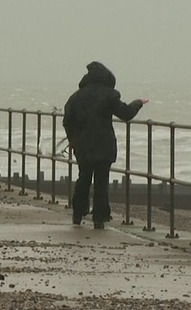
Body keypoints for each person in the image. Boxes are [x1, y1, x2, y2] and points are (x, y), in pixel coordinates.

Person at [63, 61, 148, 229]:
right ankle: (99, 218)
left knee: (83, 178)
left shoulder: (75, 97)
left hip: (82, 145)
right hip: (104, 144)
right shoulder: (110, 95)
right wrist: (138, 103)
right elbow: (126, 114)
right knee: (101, 181)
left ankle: (78, 213)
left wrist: (72, 139)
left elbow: (67, 121)